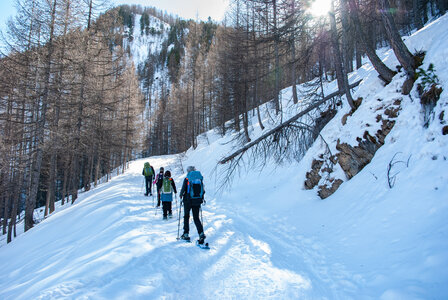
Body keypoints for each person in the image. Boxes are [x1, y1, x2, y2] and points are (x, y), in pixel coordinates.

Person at [179, 166, 206, 244]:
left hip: (188, 201)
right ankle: (201, 234)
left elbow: (183, 189)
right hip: (197, 200)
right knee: (196, 218)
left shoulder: (187, 178)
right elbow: (203, 190)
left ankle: (186, 233)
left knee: (186, 216)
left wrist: (181, 195)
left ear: (188, 171)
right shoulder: (199, 179)